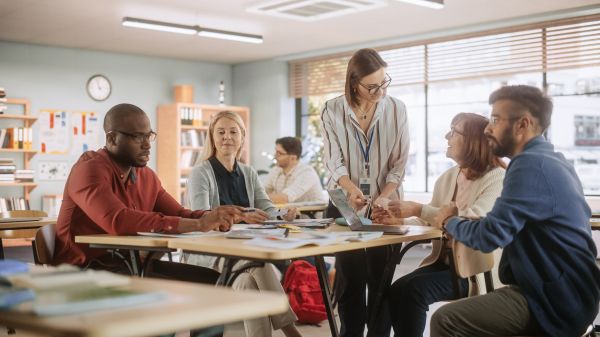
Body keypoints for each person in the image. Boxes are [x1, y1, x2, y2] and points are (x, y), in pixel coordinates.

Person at [430, 85, 600, 337]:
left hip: (553, 299)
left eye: (496, 120)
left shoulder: (529, 166)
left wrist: (450, 221)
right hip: (572, 292)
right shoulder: (553, 159)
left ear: (523, 125)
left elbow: (488, 237)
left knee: (446, 319)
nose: (487, 128)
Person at [53, 103, 242, 271]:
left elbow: (179, 213)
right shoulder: (88, 169)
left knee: (216, 281)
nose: (147, 145)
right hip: (83, 271)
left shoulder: (146, 176)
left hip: (130, 265)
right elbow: (118, 221)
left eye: (149, 136)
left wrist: (216, 216)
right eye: (137, 137)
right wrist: (200, 224)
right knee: (203, 289)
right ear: (111, 139)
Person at [371, 113, 505, 337]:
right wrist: (400, 220)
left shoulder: (497, 177)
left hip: (478, 270)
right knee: (393, 291)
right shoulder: (447, 177)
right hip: (446, 263)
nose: (446, 136)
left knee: (413, 291)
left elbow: (473, 220)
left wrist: (418, 209)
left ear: (473, 140)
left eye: (453, 131)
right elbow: (429, 219)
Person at [182, 110, 302, 337]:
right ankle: (291, 331)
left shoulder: (248, 172)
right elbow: (203, 216)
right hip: (209, 253)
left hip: (241, 255)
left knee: (249, 284)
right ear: (212, 137)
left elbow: (266, 208)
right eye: (221, 132)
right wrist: (242, 215)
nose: (227, 137)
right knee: (259, 260)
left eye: (233, 131)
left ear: (242, 137)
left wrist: (282, 216)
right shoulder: (201, 172)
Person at [320, 48, 409, 337]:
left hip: (386, 203)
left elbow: (399, 162)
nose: (380, 91)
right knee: (351, 279)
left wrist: (385, 195)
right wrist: (351, 189)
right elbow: (333, 161)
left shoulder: (397, 108)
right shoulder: (332, 110)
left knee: (381, 278)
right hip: (346, 202)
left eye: (384, 83)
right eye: (372, 87)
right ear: (353, 82)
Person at [264, 136, 326, 204]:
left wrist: (258, 197)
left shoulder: (306, 173)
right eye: (276, 152)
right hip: (288, 213)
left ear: (293, 158)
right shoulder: (276, 171)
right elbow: (263, 192)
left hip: (309, 213)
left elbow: (284, 199)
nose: (275, 156)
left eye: (279, 153)